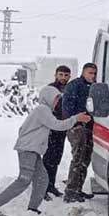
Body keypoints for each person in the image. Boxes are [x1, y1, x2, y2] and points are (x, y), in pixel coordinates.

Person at [0, 86, 90, 216]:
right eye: (56, 98)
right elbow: (58, 125)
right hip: (28, 150)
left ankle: (32, 209)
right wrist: (75, 118)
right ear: (48, 97)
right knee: (24, 179)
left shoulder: (43, 111)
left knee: (42, 179)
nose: (57, 101)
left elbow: (22, 129)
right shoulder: (42, 110)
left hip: (32, 150)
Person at [61, 63, 97, 203]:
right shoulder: (74, 85)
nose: (92, 76)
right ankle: (70, 192)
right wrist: (76, 120)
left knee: (85, 159)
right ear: (83, 72)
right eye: (90, 73)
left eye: (94, 73)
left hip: (89, 127)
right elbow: (67, 106)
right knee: (78, 158)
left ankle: (78, 189)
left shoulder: (95, 87)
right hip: (77, 127)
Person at [42, 65, 71, 199]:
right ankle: (42, 187)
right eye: (61, 75)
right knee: (48, 158)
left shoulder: (70, 89)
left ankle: (51, 185)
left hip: (62, 128)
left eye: (66, 75)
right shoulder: (50, 89)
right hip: (50, 128)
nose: (63, 78)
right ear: (55, 75)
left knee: (56, 157)